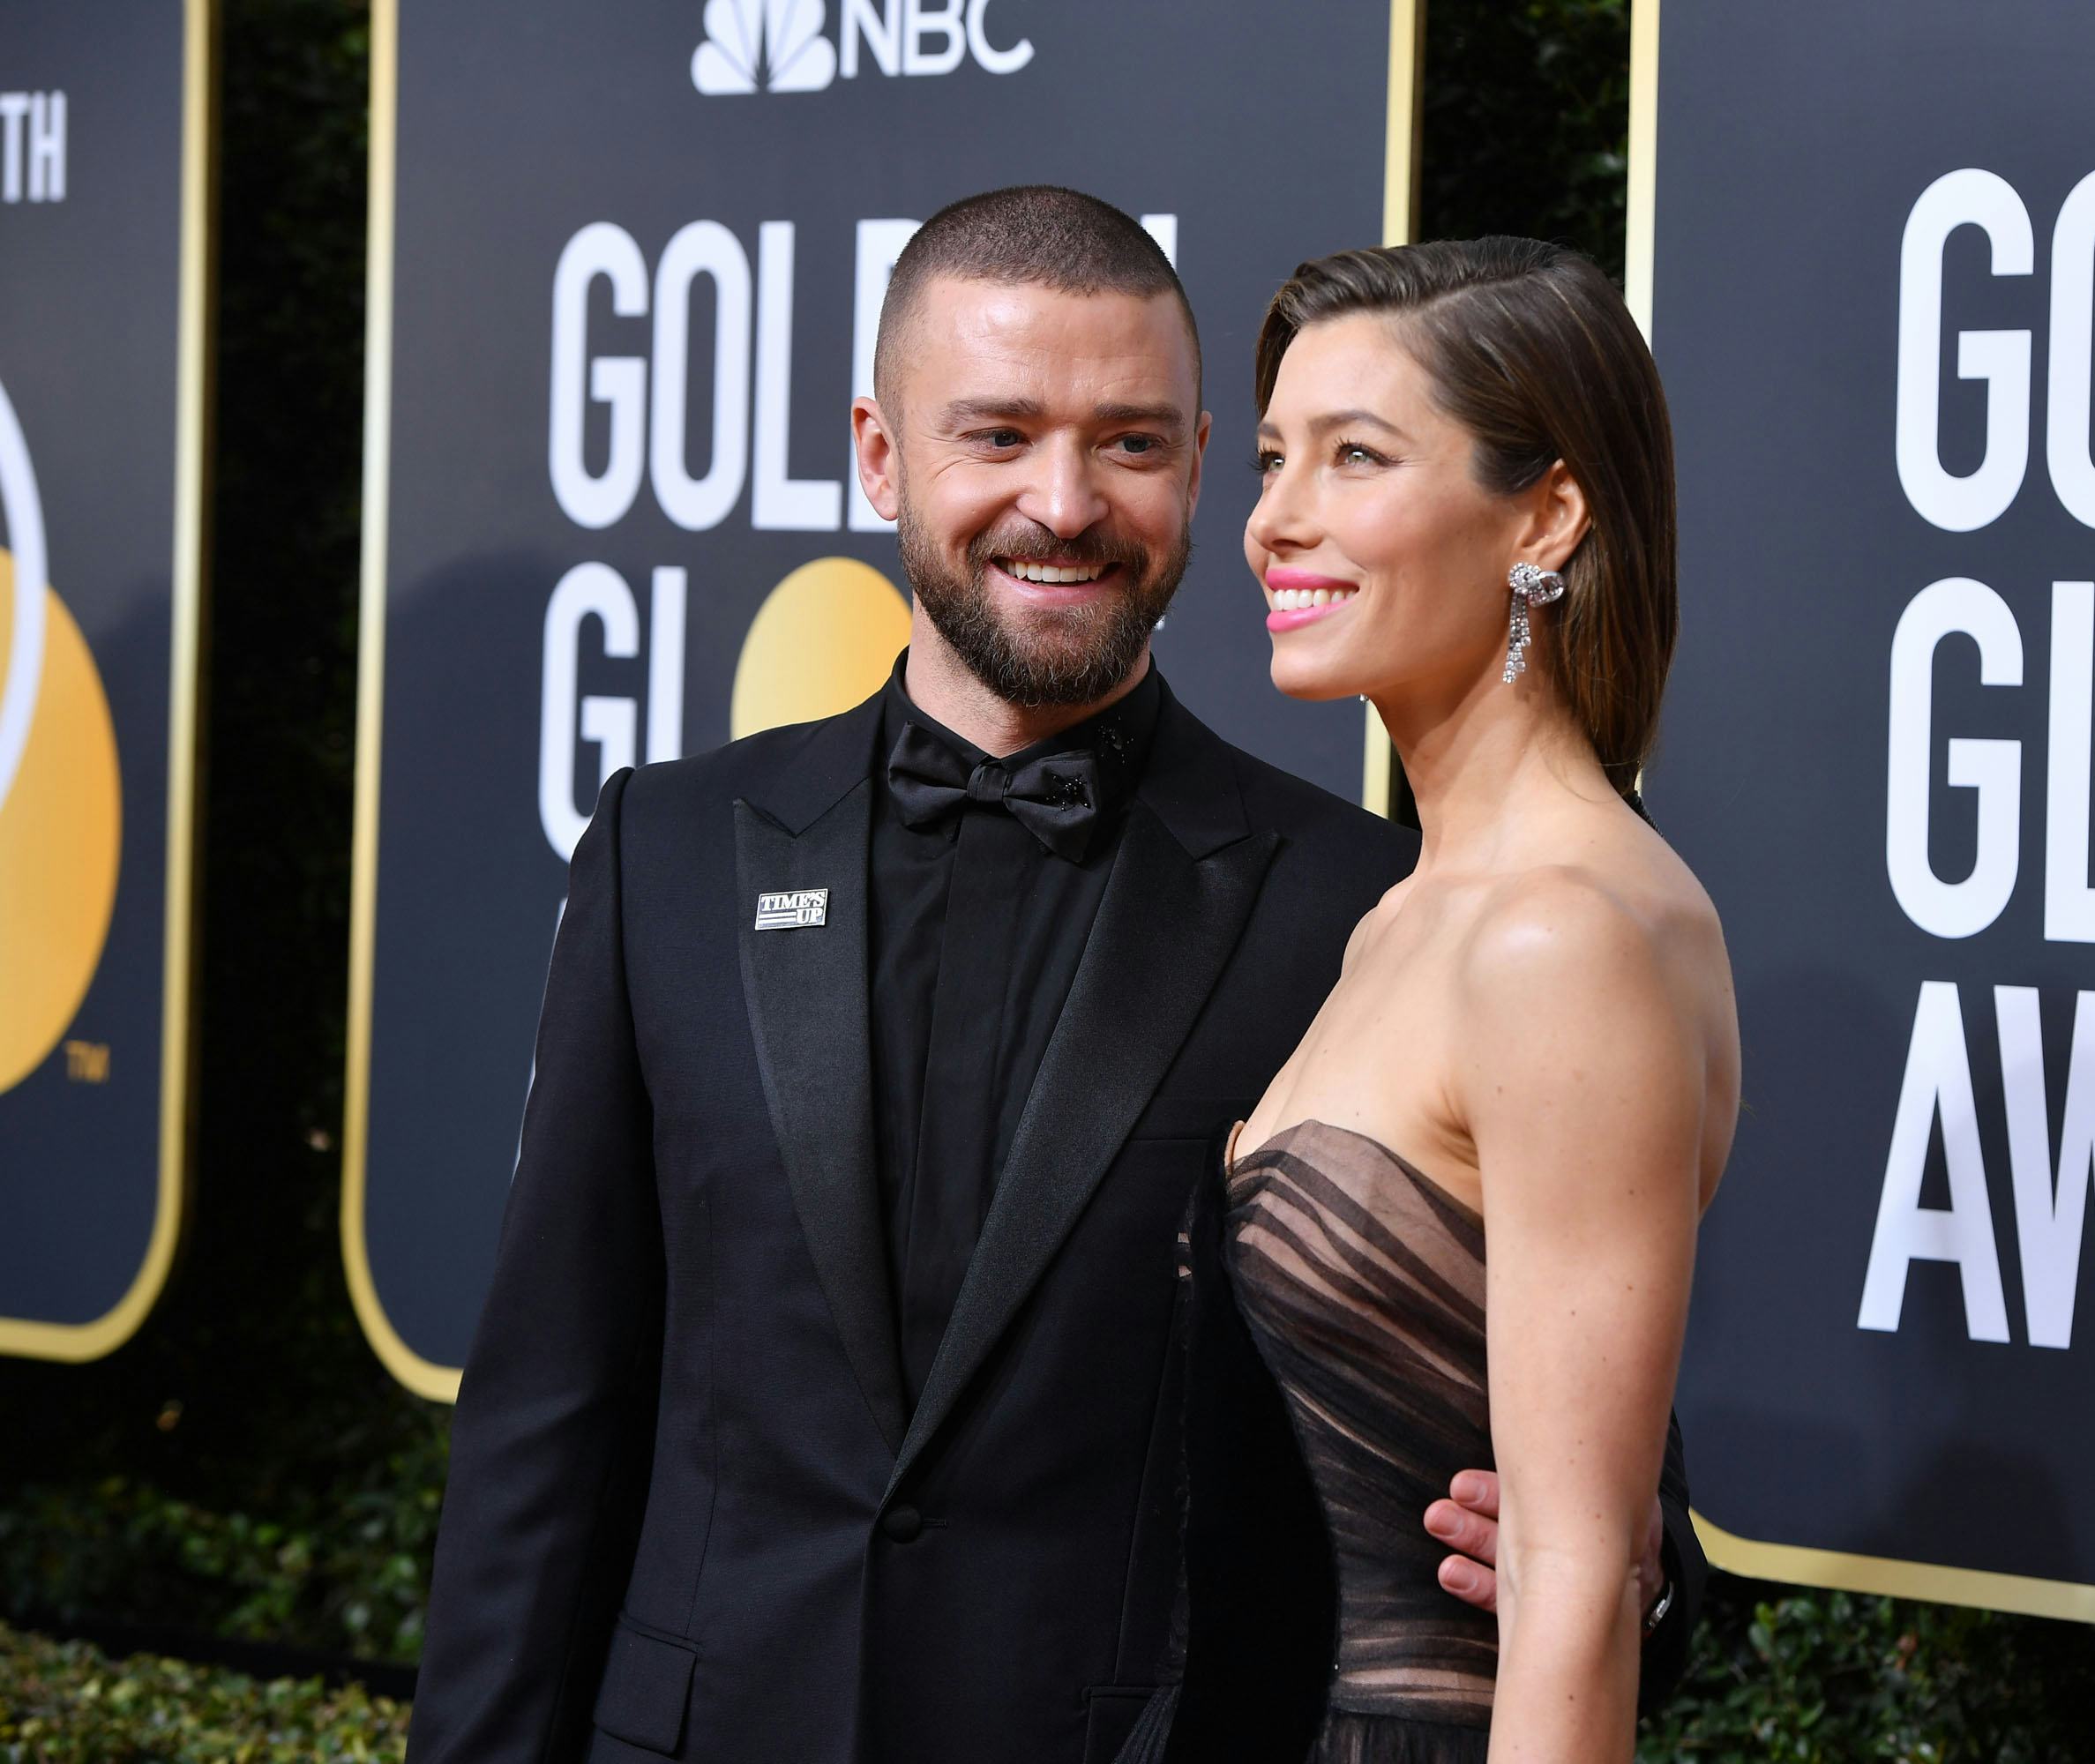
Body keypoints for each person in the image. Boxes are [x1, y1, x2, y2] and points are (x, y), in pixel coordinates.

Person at [406, 189, 1702, 1764]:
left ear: (1201, 459)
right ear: (881, 455)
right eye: (999, 435)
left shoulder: (1359, 908)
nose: (1065, 503)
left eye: (1133, 444)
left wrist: (1618, 1573)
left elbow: (1570, 1457)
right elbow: (550, 1416)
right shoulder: (670, 853)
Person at [1160, 238, 1740, 1763]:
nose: (1280, 519)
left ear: (1546, 510)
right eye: (1277, 458)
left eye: (1358, 459)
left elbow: (1576, 1586)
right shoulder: (1408, 914)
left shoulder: (1562, 938)